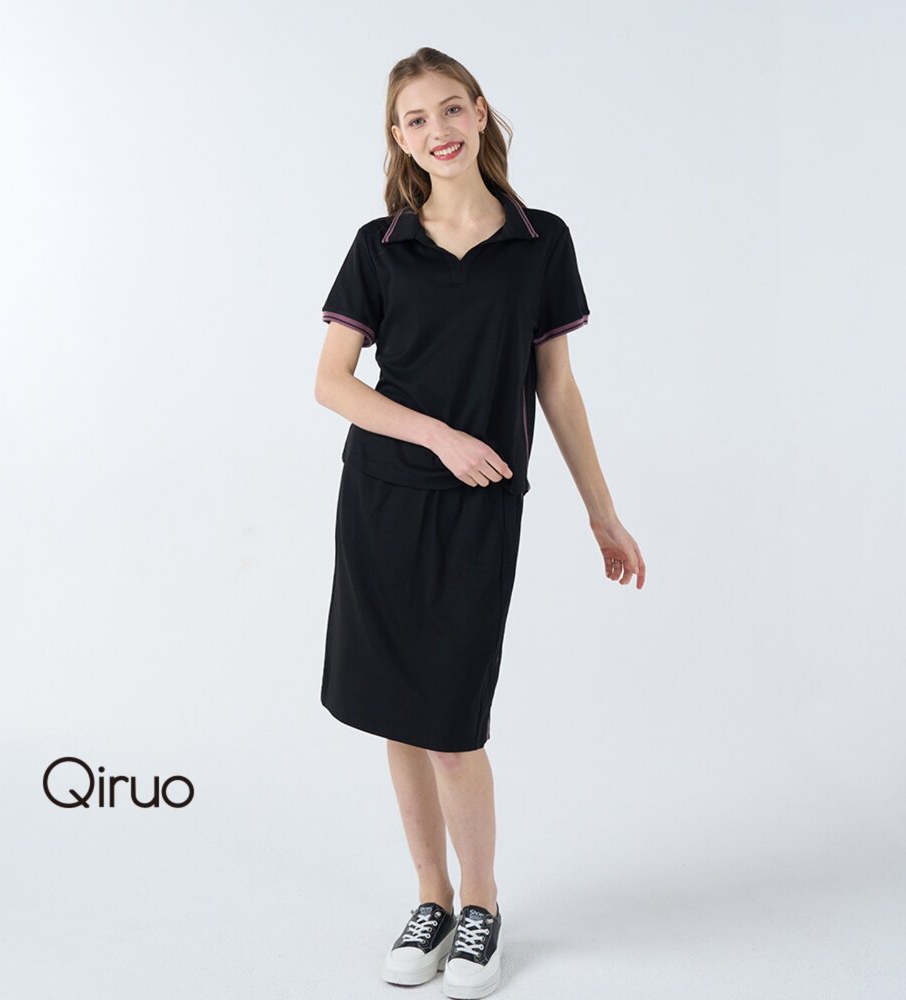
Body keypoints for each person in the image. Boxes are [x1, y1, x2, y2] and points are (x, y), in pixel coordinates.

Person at [314, 47, 645, 999]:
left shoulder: (541, 242)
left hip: (482, 506)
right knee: (397, 711)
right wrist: (436, 434)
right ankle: (431, 897)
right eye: (416, 119)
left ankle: (483, 907)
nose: (439, 130)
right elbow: (332, 384)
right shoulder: (380, 244)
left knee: (453, 721)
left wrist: (603, 514)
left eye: (451, 109)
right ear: (399, 138)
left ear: (481, 111)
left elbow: (558, 390)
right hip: (382, 498)